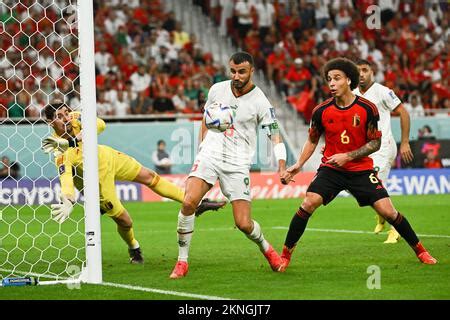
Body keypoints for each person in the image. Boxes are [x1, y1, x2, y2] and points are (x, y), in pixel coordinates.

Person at [278, 58, 437, 272]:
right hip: (332, 169)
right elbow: (313, 140)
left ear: (348, 80)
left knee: (388, 211)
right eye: (328, 79)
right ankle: (285, 255)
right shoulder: (321, 111)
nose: (331, 83)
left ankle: (421, 251)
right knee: (308, 203)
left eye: (336, 78)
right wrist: (298, 164)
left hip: (361, 169)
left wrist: (349, 156)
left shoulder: (367, 108)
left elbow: (376, 142)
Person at [41, 103, 226, 264]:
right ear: (50, 123)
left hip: (108, 157)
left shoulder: (75, 117)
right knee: (125, 221)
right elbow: (65, 179)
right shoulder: (59, 150)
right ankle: (134, 247)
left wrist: (75, 139)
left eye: (66, 112)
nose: (66, 117)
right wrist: (68, 199)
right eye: (59, 117)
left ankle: (196, 204)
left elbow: (100, 124)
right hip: (98, 183)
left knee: (150, 176)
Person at [169, 52, 287, 279]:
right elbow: (206, 120)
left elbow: (275, 135)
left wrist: (282, 166)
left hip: (237, 162)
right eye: (233, 71)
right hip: (210, 154)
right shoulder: (217, 90)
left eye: (242, 72)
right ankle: (182, 261)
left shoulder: (260, 101)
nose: (236, 76)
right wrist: (202, 148)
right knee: (188, 201)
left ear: (252, 71)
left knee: (243, 223)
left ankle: (267, 248)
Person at [354, 59, 414, 244]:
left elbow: (403, 112)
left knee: (376, 186)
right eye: (358, 71)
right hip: (365, 149)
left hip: (384, 146)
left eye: (365, 70)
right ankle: (381, 214)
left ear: (372, 72)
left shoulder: (383, 92)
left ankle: (395, 229)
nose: (362, 74)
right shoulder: (353, 95)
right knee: (360, 189)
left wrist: (405, 142)